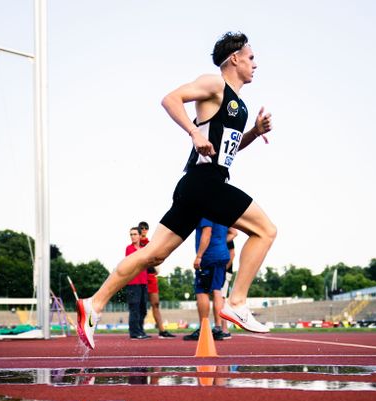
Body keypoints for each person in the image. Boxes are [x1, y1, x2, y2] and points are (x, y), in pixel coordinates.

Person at [77, 31, 276, 349]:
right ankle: (236, 302)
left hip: (198, 185)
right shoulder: (214, 84)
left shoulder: (239, 106)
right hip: (204, 182)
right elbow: (170, 99)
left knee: (152, 253)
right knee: (266, 231)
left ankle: (94, 305)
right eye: (251, 57)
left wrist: (254, 131)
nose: (256, 64)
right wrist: (193, 132)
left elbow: (227, 153)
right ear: (235, 58)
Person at [183, 220, 237, 341]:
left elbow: (207, 232)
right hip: (222, 255)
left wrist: (199, 256)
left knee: (202, 291)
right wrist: (220, 242)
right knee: (217, 290)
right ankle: (218, 328)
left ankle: (204, 328)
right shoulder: (222, 213)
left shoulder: (207, 211)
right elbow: (234, 232)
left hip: (209, 256)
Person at [138, 221, 176, 338]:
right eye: (142, 228)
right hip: (141, 277)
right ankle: (139, 330)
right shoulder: (136, 244)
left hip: (151, 276)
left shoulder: (151, 243)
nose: (144, 230)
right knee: (141, 305)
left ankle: (162, 330)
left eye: (146, 228)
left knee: (156, 303)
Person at [125, 227, 151, 339]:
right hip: (133, 283)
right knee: (134, 308)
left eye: (135, 234)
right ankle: (134, 332)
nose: (132, 236)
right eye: (131, 234)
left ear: (140, 236)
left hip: (143, 283)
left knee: (143, 309)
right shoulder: (129, 249)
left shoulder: (144, 248)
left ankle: (140, 330)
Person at [220, 234, 236, 338]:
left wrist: (224, 269)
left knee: (221, 297)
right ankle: (218, 328)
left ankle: (224, 330)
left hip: (223, 271)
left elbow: (232, 253)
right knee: (217, 297)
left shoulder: (225, 233)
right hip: (214, 269)